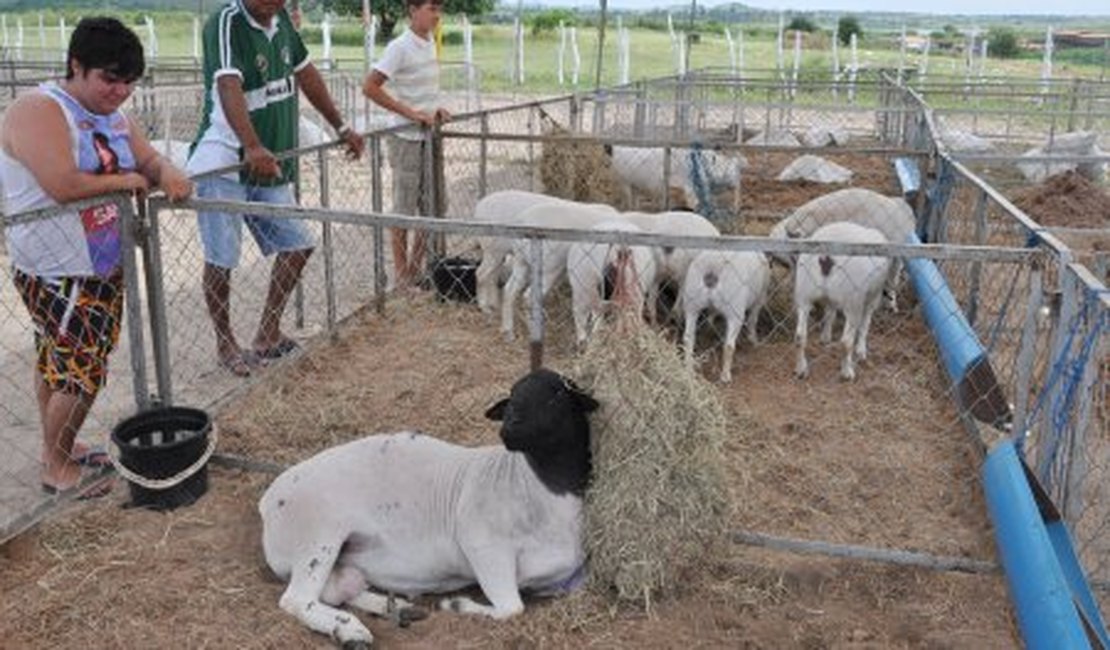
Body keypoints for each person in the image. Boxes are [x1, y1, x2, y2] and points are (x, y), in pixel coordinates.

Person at [0, 17, 193, 497]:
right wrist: (126, 182)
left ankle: (57, 449)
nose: (120, 90)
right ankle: (57, 465)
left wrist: (166, 171)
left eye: (129, 81)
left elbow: (147, 159)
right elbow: (62, 184)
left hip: (100, 258)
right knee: (81, 369)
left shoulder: (115, 116)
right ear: (76, 67)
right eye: (109, 78)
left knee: (60, 361)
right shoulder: (39, 109)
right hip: (57, 265)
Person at [188, 0, 364, 377]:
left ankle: (267, 332)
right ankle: (226, 343)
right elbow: (227, 83)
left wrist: (341, 126)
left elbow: (306, 72)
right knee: (222, 258)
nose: (277, 2)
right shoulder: (226, 22)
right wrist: (251, 145)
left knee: (297, 243)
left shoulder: (281, 19)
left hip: (268, 164)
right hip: (225, 162)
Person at [363, 0, 451, 290]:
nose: (436, 15)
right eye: (431, 9)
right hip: (406, 138)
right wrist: (408, 113)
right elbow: (370, 86)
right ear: (412, 9)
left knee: (433, 205)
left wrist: (434, 109)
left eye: (439, 9)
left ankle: (416, 270)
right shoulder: (399, 46)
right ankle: (402, 277)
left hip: (428, 135)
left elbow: (423, 89)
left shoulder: (429, 43)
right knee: (403, 208)